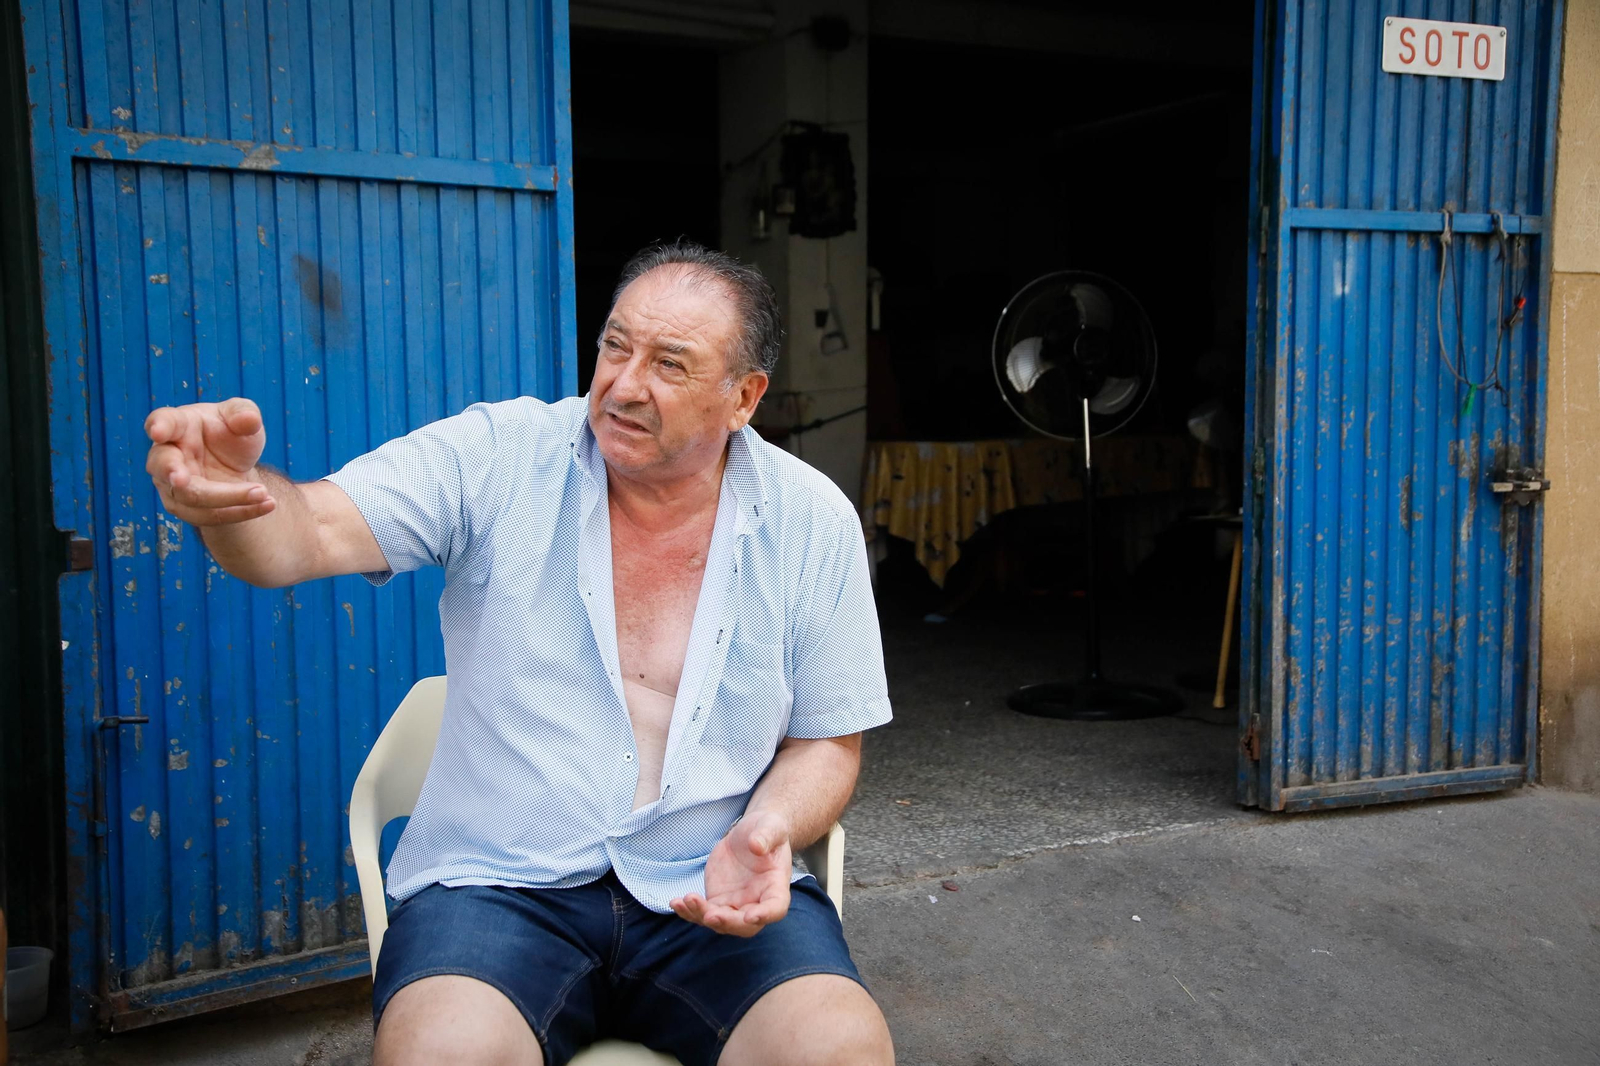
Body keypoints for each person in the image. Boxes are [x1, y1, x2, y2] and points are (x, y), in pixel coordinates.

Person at [143, 242, 895, 1066]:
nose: (623, 384)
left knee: (839, 1048)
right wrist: (232, 503)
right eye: (615, 346)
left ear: (743, 398)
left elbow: (829, 739)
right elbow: (305, 533)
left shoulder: (812, 521)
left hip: (701, 881)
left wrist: (767, 827)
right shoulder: (497, 457)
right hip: (497, 885)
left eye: (670, 364)